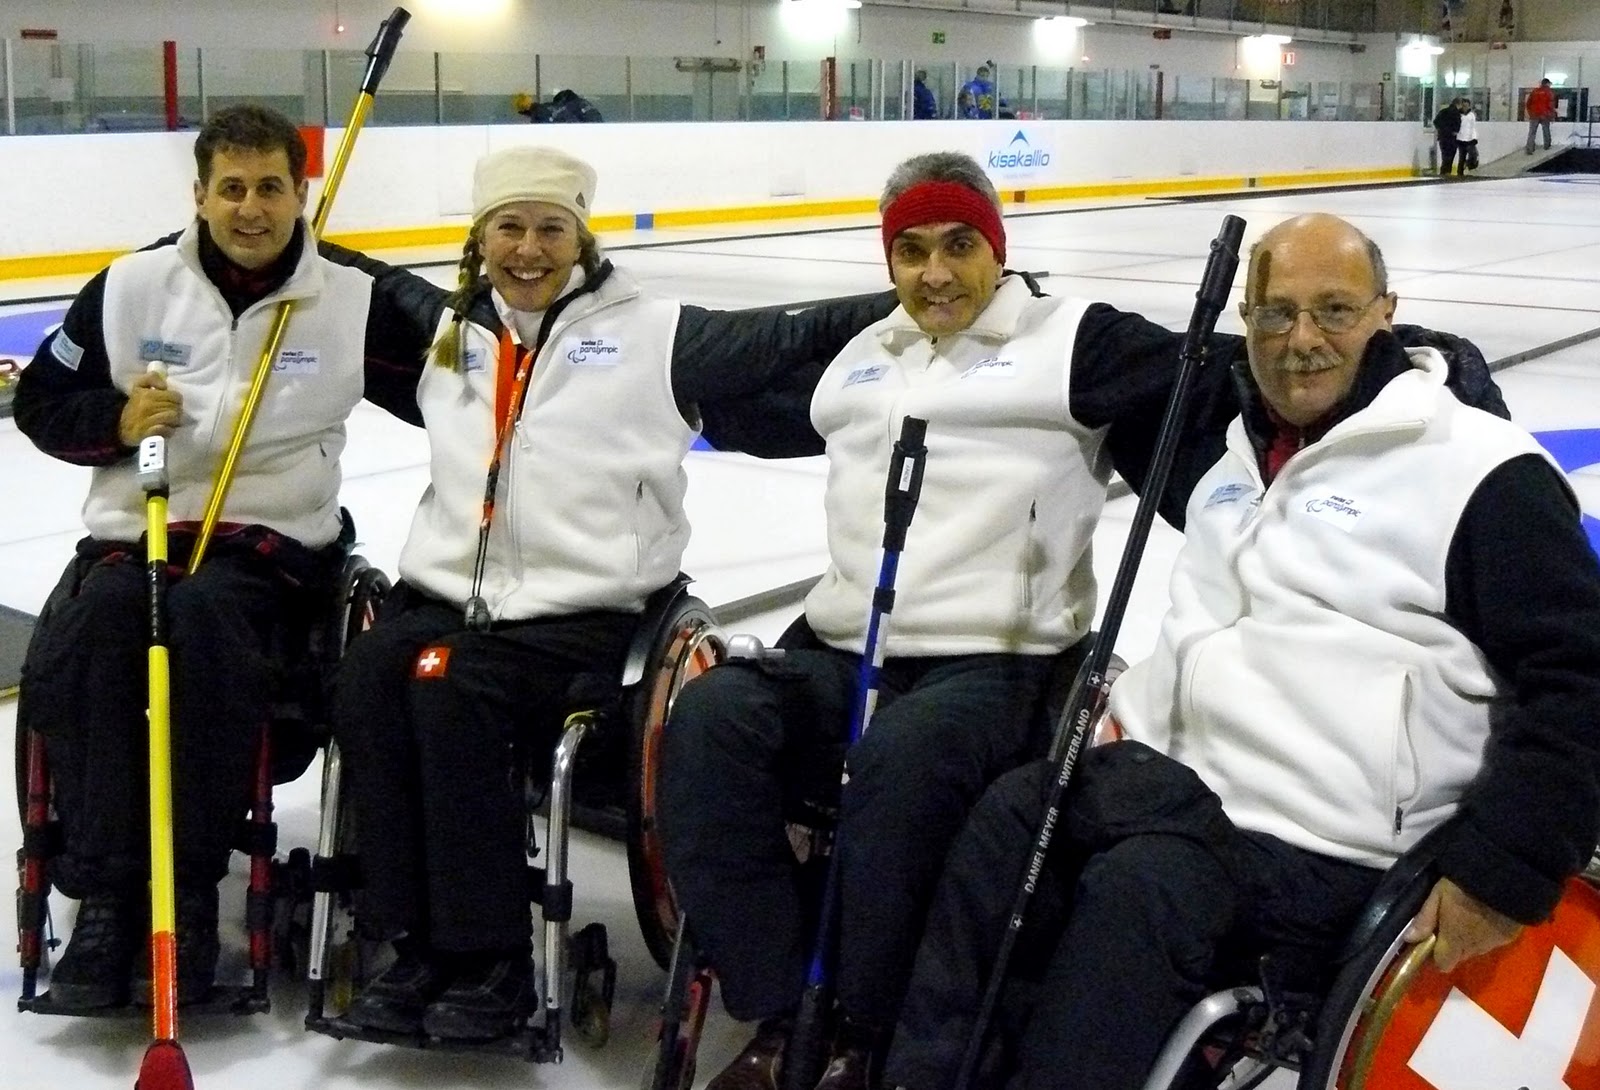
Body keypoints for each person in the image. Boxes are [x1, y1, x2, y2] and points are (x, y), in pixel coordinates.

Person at [654, 153, 1504, 1090]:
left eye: (960, 246)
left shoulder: (1075, 340)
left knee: (904, 766)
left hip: (997, 661)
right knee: (710, 723)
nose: (937, 272)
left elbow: (1228, 365)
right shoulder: (863, 348)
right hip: (848, 647)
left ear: (998, 249)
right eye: (912, 252)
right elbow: (730, 371)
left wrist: (1415, 357)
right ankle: (780, 1004)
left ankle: (865, 1025)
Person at [884, 213, 1600, 1090]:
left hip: (1321, 838)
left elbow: (1581, 678)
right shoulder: (1233, 453)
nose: (1301, 340)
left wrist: (1504, 870)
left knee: (1143, 890)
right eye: (1274, 314)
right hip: (1173, 785)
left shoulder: (1484, 472)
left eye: (1334, 310)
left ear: (1387, 314)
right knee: (1008, 818)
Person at [326, 144, 896, 1043]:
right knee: (367, 674)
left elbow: (790, 334)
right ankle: (412, 939)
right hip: (452, 599)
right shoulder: (450, 332)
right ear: (479, 239)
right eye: (508, 227)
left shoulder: (652, 333)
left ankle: (489, 959)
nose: (529, 248)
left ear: (583, 236)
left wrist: (917, 292)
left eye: (552, 227)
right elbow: (347, 273)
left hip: (586, 613)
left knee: (447, 687)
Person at [12, 103, 426, 1011]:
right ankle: (115, 901)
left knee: (201, 618)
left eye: (269, 187)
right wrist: (112, 424)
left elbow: (455, 387)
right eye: (230, 189)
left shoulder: (352, 298)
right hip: (140, 538)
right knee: (104, 626)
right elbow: (43, 400)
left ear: (301, 191)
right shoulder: (128, 287)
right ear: (198, 195)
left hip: (270, 555)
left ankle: (187, 891)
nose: (251, 208)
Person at [1432, 96, 1462, 177]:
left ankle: (1443, 171)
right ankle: (1447, 171)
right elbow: (1457, 125)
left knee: (1444, 154)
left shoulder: (1443, 111)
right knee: (1451, 154)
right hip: (1451, 137)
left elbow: (1435, 121)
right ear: (1458, 104)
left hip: (1442, 136)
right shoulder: (1456, 113)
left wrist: (1441, 129)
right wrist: (1454, 131)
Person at [1526, 76, 1556, 153]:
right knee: (1546, 130)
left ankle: (1530, 148)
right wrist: (1552, 115)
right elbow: (1551, 105)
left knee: (1532, 132)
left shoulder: (1534, 91)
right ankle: (1547, 145)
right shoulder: (1549, 92)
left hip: (1534, 115)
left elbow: (1528, 103)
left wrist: (1530, 113)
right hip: (1545, 115)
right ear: (1547, 84)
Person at [1455, 96, 1479, 173]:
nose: (1465, 107)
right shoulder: (1458, 114)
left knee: (1473, 155)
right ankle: (1460, 173)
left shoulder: (1471, 115)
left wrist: (1474, 137)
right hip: (1460, 139)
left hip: (1470, 139)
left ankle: (1469, 164)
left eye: (1466, 106)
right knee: (1461, 157)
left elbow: (1473, 127)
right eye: (1464, 105)